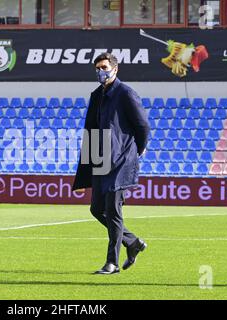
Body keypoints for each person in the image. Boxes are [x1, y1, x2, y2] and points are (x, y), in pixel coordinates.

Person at [72, 52, 150, 275]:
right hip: (100, 159)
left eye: (104, 67)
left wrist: (139, 148)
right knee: (96, 209)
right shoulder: (97, 95)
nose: (100, 71)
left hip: (121, 160)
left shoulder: (126, 93)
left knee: (113, 211)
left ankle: (112, 263)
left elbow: (143, 125)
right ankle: (132, 242)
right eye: (97, 68)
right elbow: (92, 128)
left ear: (115, 69)